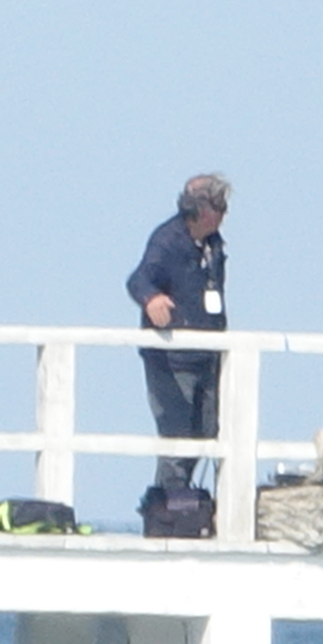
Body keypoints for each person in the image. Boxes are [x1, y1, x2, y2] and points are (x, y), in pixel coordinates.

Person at [126, 174, 230, 491]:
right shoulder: (167, 241)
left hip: (207, 359)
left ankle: (187, 506)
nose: (224, 212)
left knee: (208, 433)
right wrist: (151, 299)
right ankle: (169, 509)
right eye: (217, 205)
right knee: (176, 440)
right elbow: (138, 279)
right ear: (198, 209)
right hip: (172, 362)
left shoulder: (213, 244)